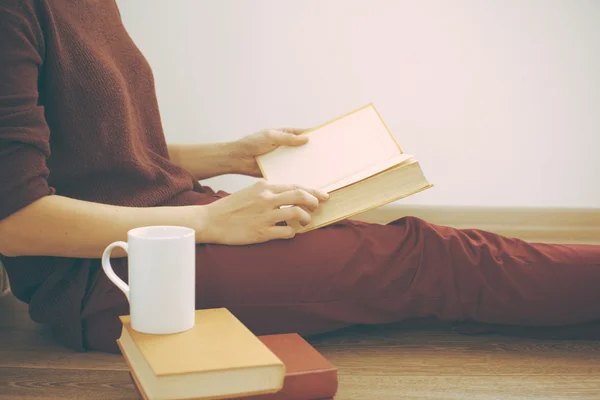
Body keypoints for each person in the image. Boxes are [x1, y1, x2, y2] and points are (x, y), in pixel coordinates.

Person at [0, 1, 598, 355]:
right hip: (110, 281)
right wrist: (209, 220)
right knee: (430, 258)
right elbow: (16, 222)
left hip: (169, 227)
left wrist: (234, 154)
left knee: (407, 253)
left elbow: (104, 152)